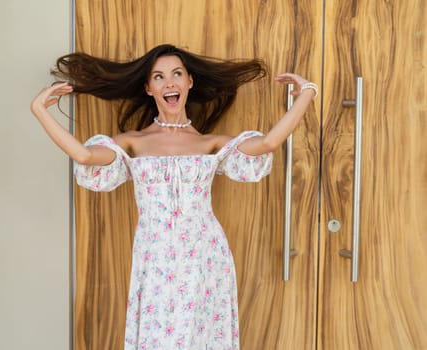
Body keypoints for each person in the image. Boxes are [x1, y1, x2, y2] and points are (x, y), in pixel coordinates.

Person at [30, 44, 317, 350]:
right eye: (159, 77)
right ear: (148, 88)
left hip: (205, 256)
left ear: (189, 82)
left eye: (177, 74)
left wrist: (308, 93)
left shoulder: (211, 144)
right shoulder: (133, 142)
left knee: (200, 339)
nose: (169, 82)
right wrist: (39, 111)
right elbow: (85, 156)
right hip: (156, 259)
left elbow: (270, 143)